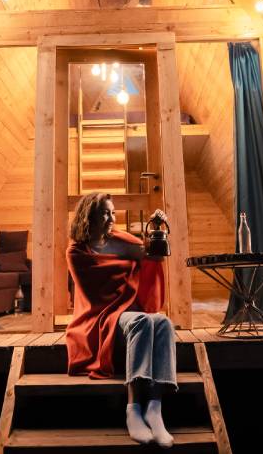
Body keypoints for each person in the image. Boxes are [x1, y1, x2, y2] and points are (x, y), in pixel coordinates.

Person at [66, 192, 176, 448]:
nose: (111, 218)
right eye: (105, 212)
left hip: (128, 314)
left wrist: (155, 234)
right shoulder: (77, 251)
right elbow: (99, 293)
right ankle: (133, 409)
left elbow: (150, 256)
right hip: (99, 321)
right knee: (140, 321)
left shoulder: (122, 241)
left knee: (162, 322)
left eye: (113, 212)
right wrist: (132, 262)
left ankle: (155, 409)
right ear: (88, 216)